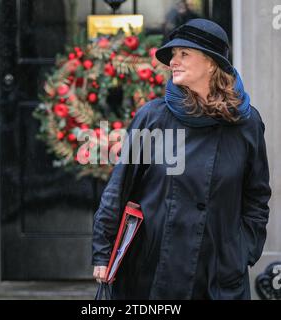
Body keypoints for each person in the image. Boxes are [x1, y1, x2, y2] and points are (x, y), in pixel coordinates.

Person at [92, 18, 272, 300]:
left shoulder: (246, 124)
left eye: (184, 54)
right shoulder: (152, 117)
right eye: (172, 55)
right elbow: (119, 188)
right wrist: (103, 253)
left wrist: (242, 251)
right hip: (154, 271)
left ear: (212, 63)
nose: (173, 61)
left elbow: (256, 196)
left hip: (219, 274)